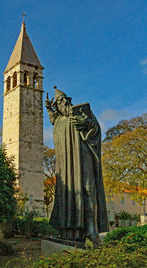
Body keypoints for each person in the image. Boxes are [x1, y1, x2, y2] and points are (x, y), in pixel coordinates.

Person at [45, 86, 109, 243]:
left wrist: (87, 122)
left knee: (89, 189)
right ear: (57, 106)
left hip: (84, 157)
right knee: (70, 194)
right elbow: (53, 120)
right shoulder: (59, 121)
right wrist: (49, 110)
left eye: (66, 100)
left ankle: (92, 231)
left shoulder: (81, 113)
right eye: (60, 102)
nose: (64, 103)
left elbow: (96, 128)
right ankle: (69, 231)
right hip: (67, 166)